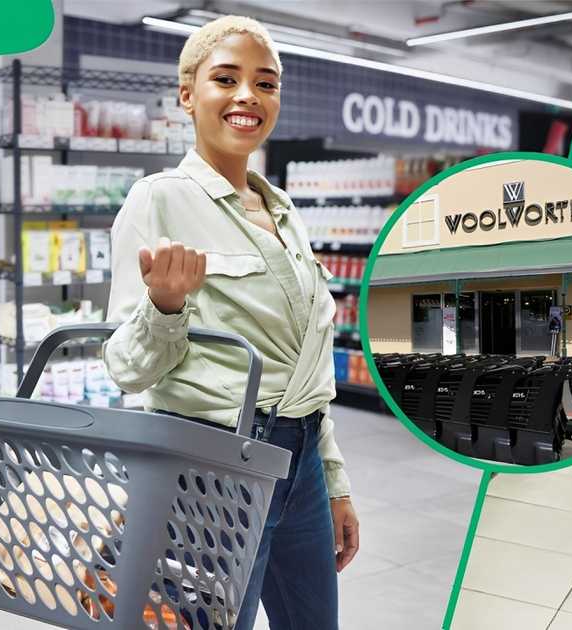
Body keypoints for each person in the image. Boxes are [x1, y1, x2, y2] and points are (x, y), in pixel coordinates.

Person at [103, 16, 358, 630]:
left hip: (301, 464)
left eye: (265, 83)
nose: (248, 95)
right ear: (188, 95)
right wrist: (164, 306)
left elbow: (306, 364)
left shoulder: (285, 212)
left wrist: (334, 481)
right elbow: (126, 369)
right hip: (210, 468)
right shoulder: (159, 198)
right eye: (226, 79)